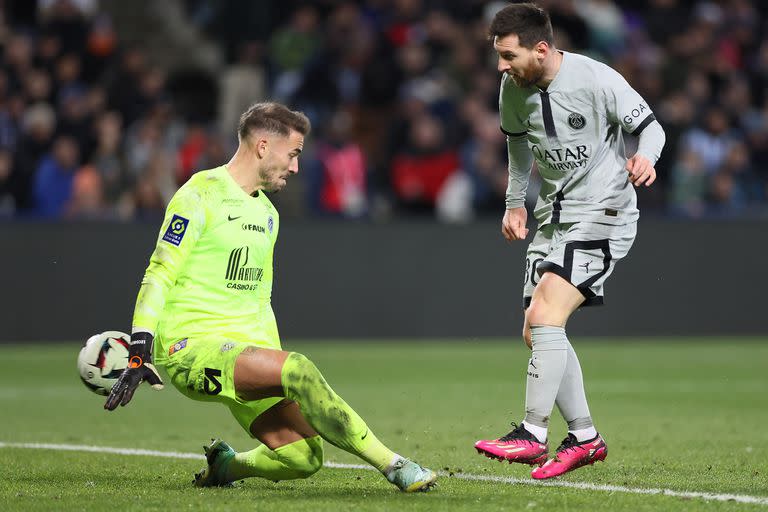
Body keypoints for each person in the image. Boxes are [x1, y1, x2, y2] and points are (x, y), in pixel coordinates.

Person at [104, 102, 437, 493]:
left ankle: (227, 466)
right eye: (293, 153)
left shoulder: (267, 215)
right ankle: (395, 466)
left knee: (304, 457)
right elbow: (159, 272)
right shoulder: (200, 194)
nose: (296, 167)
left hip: (242, 352)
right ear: (263, 146)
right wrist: (140, 348)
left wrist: (270, 364)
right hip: (190, 349)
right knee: (300, 369)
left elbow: (259, 303)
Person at [473, 3, 665, 480]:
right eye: (498, 56)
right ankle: (584, 436)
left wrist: (647, 158)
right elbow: (518, 144)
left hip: (604, 210)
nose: (501, 66)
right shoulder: (511, 88)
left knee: (543, 317)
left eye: (508, 55)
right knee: (535, 331)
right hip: (552, 217)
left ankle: (532, 433)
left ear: (541, 49)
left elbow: (651, 128)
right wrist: (514, 202)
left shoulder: (597, 78)